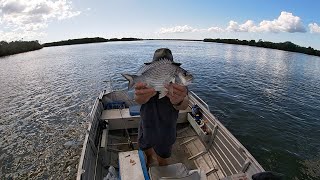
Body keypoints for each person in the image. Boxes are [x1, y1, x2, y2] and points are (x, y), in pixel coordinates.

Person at [134, 48, 189, 166]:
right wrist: (140, 98)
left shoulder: (180, 85)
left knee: (163, 157)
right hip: (146, 124)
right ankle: (149, 159)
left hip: (167, 128)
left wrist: (178, 101)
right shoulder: (145, 81)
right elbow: (137, 99)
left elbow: (185, 104)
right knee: (145, 148)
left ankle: (161, 168)